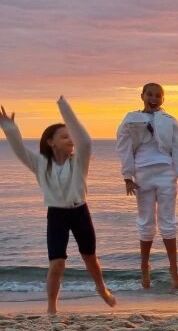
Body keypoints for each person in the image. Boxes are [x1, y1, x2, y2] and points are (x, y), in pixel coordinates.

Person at [0, 98, 117, 314]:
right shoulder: (40, 163)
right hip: (56, 215)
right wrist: (8, 127)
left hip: (80, 212)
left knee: (90, 258)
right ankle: (52, 308)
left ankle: (102, 289)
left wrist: (65, 109)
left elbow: (85, 142)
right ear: (50, 142)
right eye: (64, 136)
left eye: (71, 135)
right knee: (57, 264)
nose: (70, 139)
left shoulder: (79, 161)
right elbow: (19, 149)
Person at [115, 83, 178, 290]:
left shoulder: (169, 120)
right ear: (142, 95)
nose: (154, 98)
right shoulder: (131, 119)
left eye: (158, 96)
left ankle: (174, 268)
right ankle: (144, 266)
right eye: (150, 94)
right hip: (142, 174)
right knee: (146, 221)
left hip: (166, 173)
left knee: (168, 221)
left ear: (163, 99)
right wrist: (127, 177)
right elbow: (123, 147)